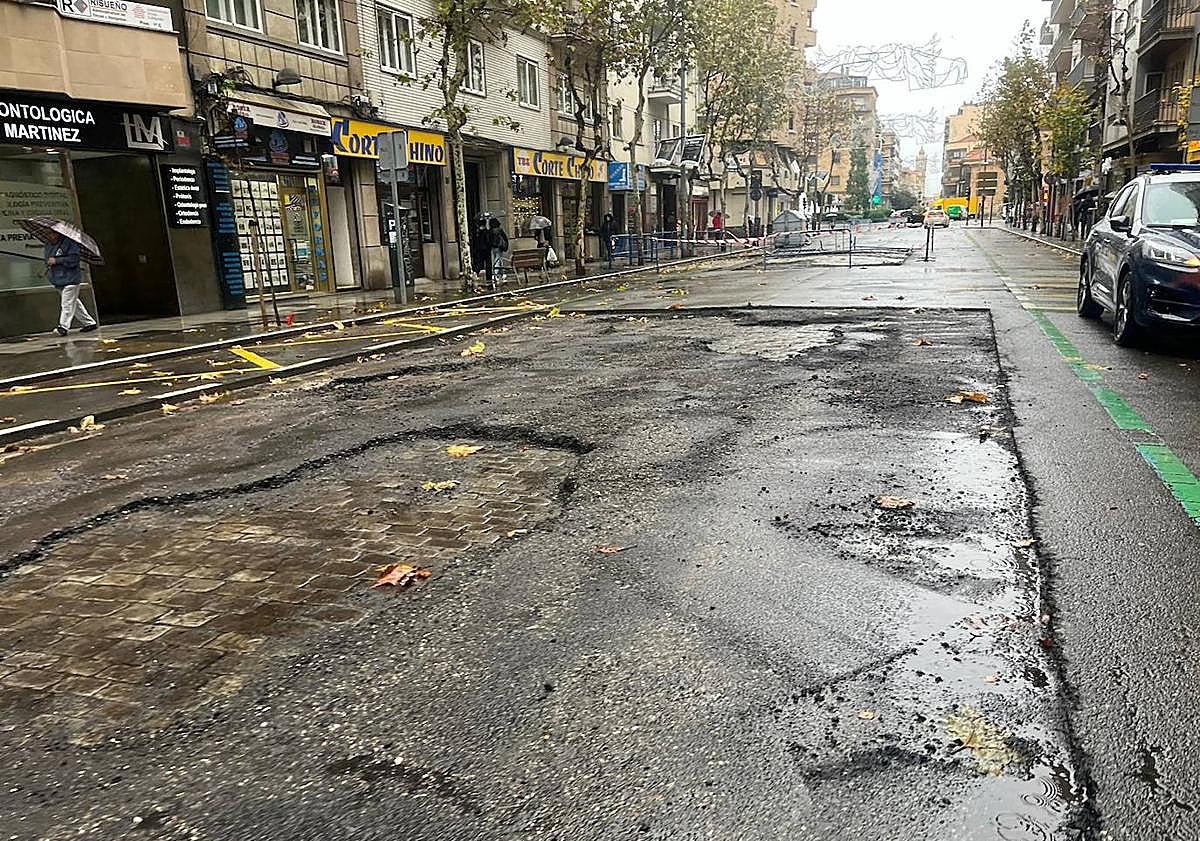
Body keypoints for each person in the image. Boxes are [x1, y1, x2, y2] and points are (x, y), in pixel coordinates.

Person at [45, 231, 97, 336]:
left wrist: (57, 260)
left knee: (67, 303)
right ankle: (89, 323)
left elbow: (74, 259)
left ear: (57, 234)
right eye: (48, 234)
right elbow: (48, 259)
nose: (50, 236)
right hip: (57, 279)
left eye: (52, 233)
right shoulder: (48, 245)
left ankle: (63, 327)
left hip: (70, 279)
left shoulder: (70, 244)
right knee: (74, 303)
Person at [487, 217, 509, 286]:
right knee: (499, 259)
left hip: (493, 247)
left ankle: (496, 273)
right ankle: (500, 273)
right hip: (499, 247)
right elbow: (505, 237)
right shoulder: (500, 230)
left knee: (496, 259)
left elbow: (488, 240)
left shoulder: (490, 231)